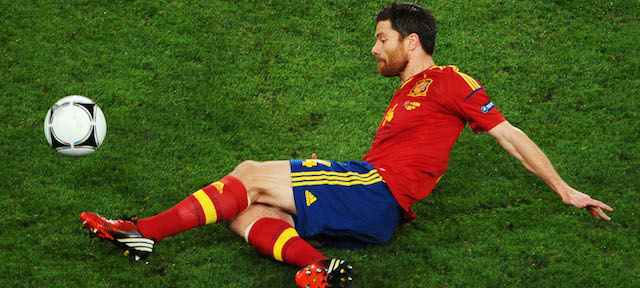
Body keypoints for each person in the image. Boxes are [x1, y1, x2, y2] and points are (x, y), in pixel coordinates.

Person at [80, 3, 613, 288]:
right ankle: (317, 267)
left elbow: (509, 135)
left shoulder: (449, 80)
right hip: (376, 207)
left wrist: (564, 190)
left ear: (411, 42)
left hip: (376, 189)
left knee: (246, 175)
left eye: (381, 39)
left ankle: (139, 231)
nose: (374, 49)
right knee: (244, 212)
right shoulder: (406, 94)